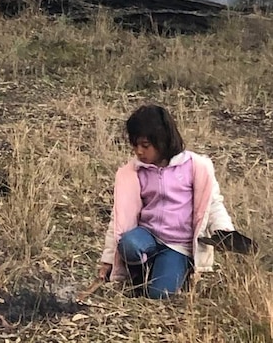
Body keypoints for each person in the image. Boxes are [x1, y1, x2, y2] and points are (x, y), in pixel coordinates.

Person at [98, 104, 237, 299]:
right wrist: (108, 260)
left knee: (159, 295)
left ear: (162, 141)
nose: (139, 152)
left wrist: (224, 230)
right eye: (135, 145)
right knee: (129, 244)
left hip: (178, 245)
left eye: (145, 146)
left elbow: (213, 204)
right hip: (146, 236)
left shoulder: (195, 167)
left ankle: (174, 269)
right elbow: (118, 217)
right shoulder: (134, 173)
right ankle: (141, 273)